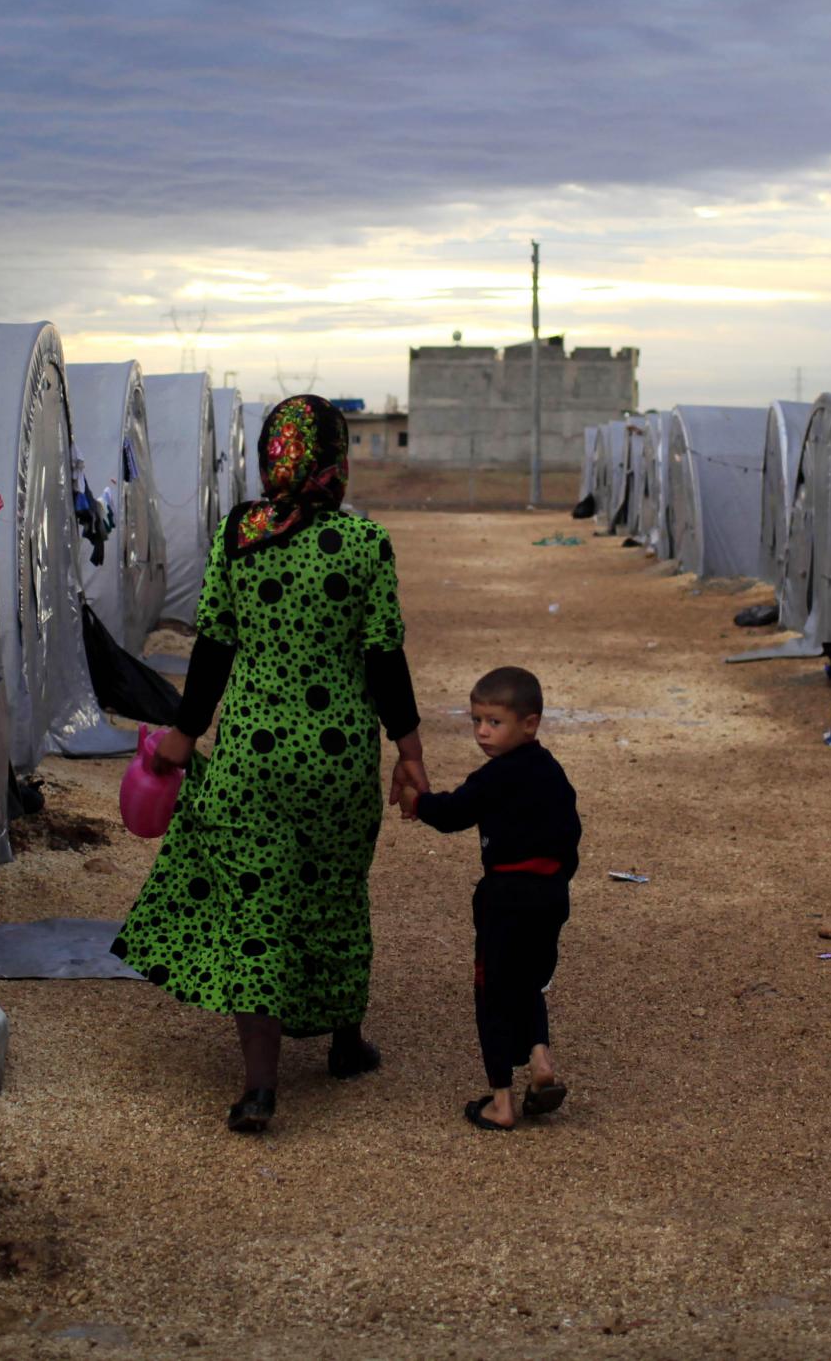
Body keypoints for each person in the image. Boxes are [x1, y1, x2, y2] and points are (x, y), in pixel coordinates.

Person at [112, 396, 428, 1132]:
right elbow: (385, 658)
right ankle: (345, 1044)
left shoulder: (240, 536)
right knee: (336, 892)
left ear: (269, 457)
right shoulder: (365, 543)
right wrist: (410, 750)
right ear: (337, 457)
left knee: (256, 902)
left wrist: (182, 740)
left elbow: (213, 648)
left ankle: (260, 1087)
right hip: (340, 757)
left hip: (253, 756)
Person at [397, 665, 579, 1131]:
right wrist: (556, 885)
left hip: (505, 899)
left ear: (529, 723)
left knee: (493, 993)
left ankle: (501, 1102)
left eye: (494, 722)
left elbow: (453, 813)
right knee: (530, 982)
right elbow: (570, 837)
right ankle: (540, 1059)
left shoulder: (493, 777)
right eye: (476, 720)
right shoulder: (554, 774)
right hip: (550, 896)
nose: (482, 732)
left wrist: (417, 801)